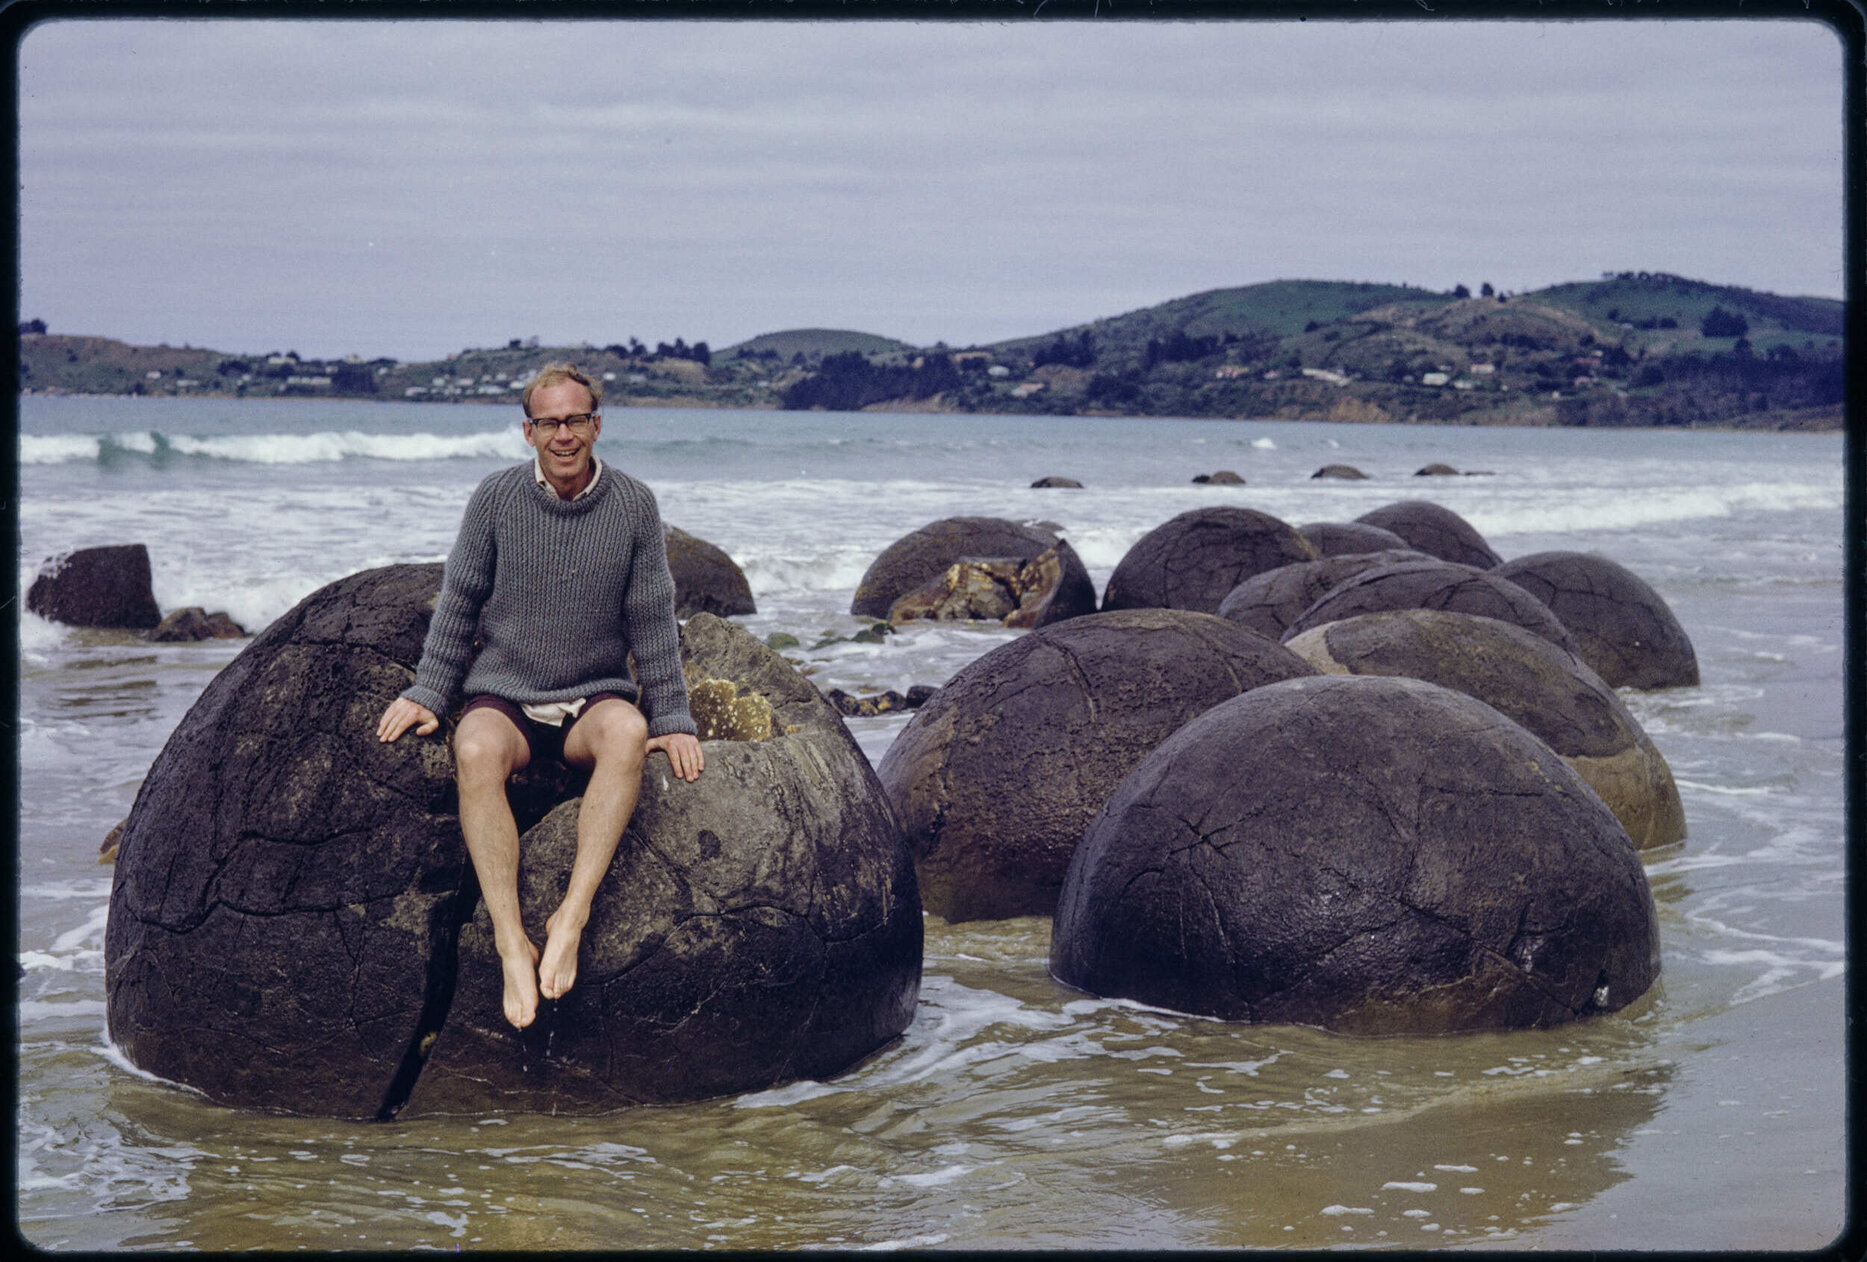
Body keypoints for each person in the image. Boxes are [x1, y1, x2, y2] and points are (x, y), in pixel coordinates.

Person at [376, 362, 704, 1030]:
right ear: (528, 432)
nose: (563, 434)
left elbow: (650, 614)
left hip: (591, 696)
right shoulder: (495, 498)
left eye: (575, 420)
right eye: (549, 422)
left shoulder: (633, 503)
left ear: (596, 425)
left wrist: (671, 715)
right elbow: (460, 600)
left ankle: (571, 915)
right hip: (507, 695)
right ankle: (507, 939)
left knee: (628, 735)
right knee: (472, 747)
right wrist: (429, 690)